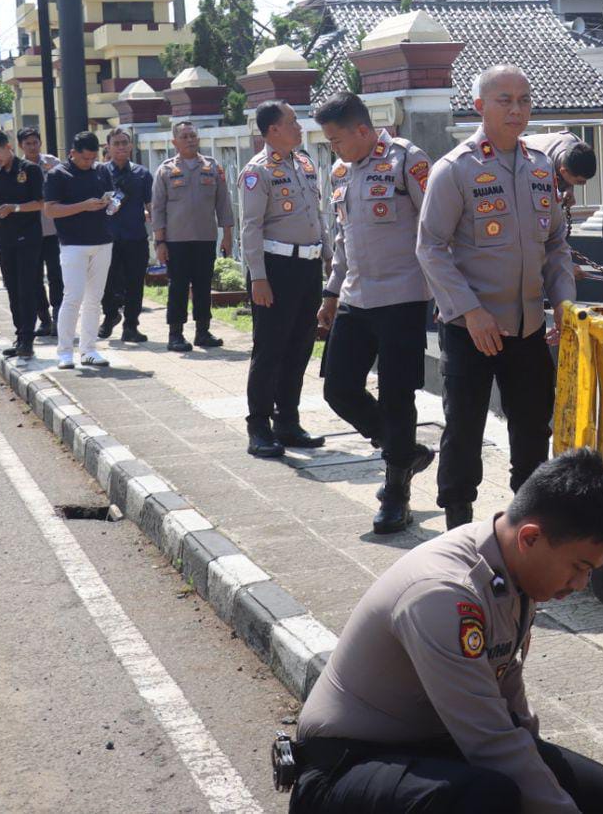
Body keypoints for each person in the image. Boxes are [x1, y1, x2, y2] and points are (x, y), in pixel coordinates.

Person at [290, 448, 603, 814]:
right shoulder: (444, 593)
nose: (580, 584)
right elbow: (488, 740)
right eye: (579, 567)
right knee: (486, 799)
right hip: (348, 766)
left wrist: (545, 769)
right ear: (530, 538)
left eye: (591, 571)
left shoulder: (511, 565)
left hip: (437, 745)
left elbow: (506, 690)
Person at [417, 65, 575, 529]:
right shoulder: (456, 169)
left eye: (524, 100)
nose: (517, 109)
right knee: (464, 428)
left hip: (526, 326)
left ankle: (526, 522)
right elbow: (430, 247)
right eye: (505, 100)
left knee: (532, 428)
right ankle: (459, 521)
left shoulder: (541, 167)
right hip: (472, 329)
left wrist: (563, 301)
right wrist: (470, 311)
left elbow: (555, 244)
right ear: (479, 106)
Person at [315, 92, 435, 534]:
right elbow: (343, 239)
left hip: (403, 297)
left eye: (336, 139)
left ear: (362, 131)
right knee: (338, 389)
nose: (333, 148)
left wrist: (447, 296)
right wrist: (330, 294)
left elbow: (437, 228)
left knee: (397, 395)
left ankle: (397, 494)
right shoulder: (341, 171)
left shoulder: (408, 161)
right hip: (356, 296)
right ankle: (401, 451)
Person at [239, 102, 327, 459]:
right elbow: (250, 228)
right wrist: (258, 277)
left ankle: (287, 421)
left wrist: (328, 256)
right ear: (273, 130)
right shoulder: (256, 171)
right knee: (270, 349)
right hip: (275, 269)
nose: (299, 127)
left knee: (300, 347)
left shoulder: (304, 163)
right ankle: (258, 426)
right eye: (292, 122)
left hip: (307, 268)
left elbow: (317, 214)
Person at [151, 120, 235, 353]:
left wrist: (227, 235)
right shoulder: (165, 170)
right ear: (174, 142)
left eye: (193, 136)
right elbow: (157, 209)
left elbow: (223, 203)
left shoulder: (212, 167)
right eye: (185, 136)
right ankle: (175, 334)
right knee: (178, 286)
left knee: (203, 285)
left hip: (205, 238)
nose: (190, 140)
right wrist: (160, 242)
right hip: (176, 241)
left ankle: (202, 331)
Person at [44, 131, 116, 370]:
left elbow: (113, 195)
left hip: (102, 241)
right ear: (72, 153)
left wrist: (112, 204)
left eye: (93, 158)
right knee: (73, 297)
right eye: (85, 158)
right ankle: (65, 352)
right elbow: (51, 210)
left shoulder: (102, 171)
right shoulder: (58, 175)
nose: (89, 163)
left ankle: (89, 349)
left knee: (94, 299)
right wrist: (83, 206)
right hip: (73, 244)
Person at [0, 129, 44, 360]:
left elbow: (41, 203)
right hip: (6, 237)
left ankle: (28, 338)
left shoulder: (30, 170)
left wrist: (14, 208)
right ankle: (19, 335)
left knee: (27, 287)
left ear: (8, 146)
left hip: (29, 237)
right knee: (12, 288)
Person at [98, 129, 154, 344]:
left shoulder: (142, 173)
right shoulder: (100, 172)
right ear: (109, 147)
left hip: (135, 236)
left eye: (124, 143)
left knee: (135, 283)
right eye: (116, 143)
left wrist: (159, 233)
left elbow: (150, 204)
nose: (121, 147)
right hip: (106, 237)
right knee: (107, 282)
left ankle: (131, 325)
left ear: (130, 146)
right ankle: (110, 314)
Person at [18, 127, 63, 340]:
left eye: (35, 142)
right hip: (28, 231)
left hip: (53, 229)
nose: (33, 147)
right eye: (28, 144)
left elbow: (66, 186)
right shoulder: (18, 168)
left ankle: (58, 317)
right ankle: (43, 318)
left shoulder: (52, 163)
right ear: (21, 146)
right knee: (35, 277)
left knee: (56, 275)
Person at [521, 129, 596, 210]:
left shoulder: (578, 146)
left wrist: (568, 188)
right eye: (579, 181)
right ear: (563, 171)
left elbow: (569, 165)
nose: (584, 184)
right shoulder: (541, 166)